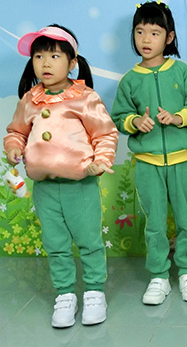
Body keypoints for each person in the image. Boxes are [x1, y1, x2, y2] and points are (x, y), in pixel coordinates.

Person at [4, 25, 119, 328]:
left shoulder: (84, 98)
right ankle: (65, 294)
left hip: (80, 186)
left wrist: (100, 161)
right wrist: (14, 147)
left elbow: (105, 134)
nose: (45, 63)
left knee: (89, 241)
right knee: (55, 244)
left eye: (54, 56)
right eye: (39, 56)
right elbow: (17, 132)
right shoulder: (30, 99)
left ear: (72, 62)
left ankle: (94, 292)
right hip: (45, 188)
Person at [111, 1, 187, 305]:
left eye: (154, 33)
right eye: (140, 31)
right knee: (153, 221)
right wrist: (135, 122)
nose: (146, 39)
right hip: (147, 163)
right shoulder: (129, 80)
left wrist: (179, 118)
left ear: (169, 37)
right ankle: (158, 276)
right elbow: (119, 116)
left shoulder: (181, 71)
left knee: (185, 218)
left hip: (183, 161)